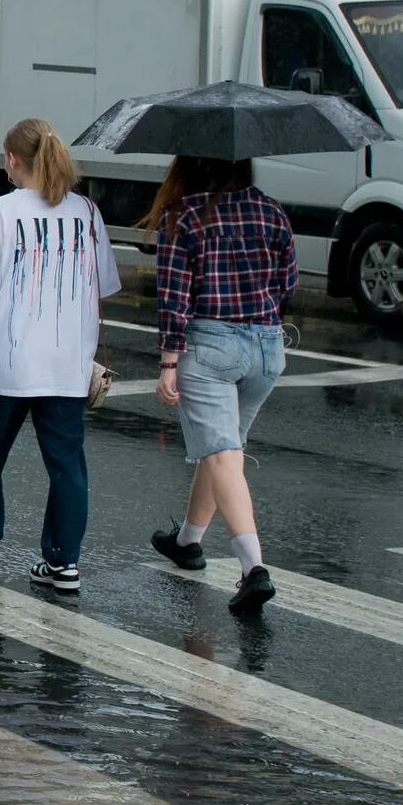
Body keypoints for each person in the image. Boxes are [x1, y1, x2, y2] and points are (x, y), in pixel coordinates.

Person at [0, 119, 121, 592]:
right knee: (66, 464)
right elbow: (102, 288)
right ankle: (63, 562)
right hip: (67, 365)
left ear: (13, 160)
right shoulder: (86, 212)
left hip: (10, 363)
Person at [144, 155, 297, 614]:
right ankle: (188, 541)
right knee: (222, 449)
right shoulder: (272, 210)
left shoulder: (184, 214)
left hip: (210, 345)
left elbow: (175, 296)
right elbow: (287, 281)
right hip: (267, 347)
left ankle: (254, 569)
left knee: (224, 453)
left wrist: (169, 361)